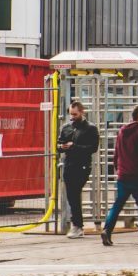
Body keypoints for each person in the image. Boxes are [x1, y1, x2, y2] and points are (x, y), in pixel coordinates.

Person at [102, 107, 138, 246]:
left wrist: (117, 168)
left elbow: (116, 153)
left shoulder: (121, 131)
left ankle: (107, 230)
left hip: (123, 175)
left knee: (118, 205)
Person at [56, 100, 100, 239]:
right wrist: (61, 147)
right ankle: (77, 225)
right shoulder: (66, 127)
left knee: (74, 194)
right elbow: (59, 143)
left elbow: (93, 148)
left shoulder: (91, 128)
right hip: (69, 164)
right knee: (72, 195)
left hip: (82, 165)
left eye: (75, 114)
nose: (72, 117)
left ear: (82, 112)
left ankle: (77, 225)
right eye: (71, 114)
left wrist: (74, 146)